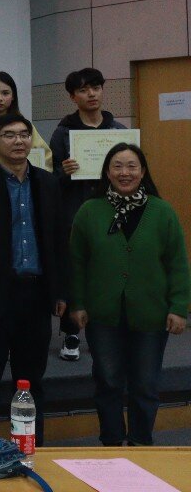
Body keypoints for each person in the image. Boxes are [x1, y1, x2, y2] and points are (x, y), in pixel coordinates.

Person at [68, 144, 189, 447]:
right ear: (107, 172)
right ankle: (111, 443)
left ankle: (140, 444)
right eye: (118, 166)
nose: (125, 173)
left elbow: (177, 263)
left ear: (143, 172)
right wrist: (78, 303)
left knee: (145, 384)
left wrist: (179, 307)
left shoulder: (162, 212)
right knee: (108, 381)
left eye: (132, 166)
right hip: (102, 314)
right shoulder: (89, 211)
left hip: (151, 313)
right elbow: (77, 263)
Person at [0, 113, 64, 446]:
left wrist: (60, 291)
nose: (19, 141)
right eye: (9, 135)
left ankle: (31, 445)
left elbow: (59, 241)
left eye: (24, 134)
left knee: (32, 379)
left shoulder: (48, 183)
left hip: (36, 293)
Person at [50, 67, 128, 362]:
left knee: (106, 273)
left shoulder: (118, 131)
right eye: (83, 90)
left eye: (95, 88)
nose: (91, 94)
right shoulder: (62, 133)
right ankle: (71, 333)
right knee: (74, 273)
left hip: (111, 213)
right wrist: (64, 172)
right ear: (73, 97)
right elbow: (50, 179)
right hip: (74, 214)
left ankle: (102, 331)